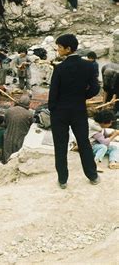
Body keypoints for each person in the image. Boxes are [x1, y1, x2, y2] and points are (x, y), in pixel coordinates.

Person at [48, 34, 100, 189]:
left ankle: (63, 180)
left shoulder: (60, 68)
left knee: (60, 145)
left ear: (68, 49)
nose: (57, 50)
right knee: (84, 143)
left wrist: (52, 110)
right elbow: (95, 88)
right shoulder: (89, 66)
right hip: (78, 110)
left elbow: (53, 93)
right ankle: (93, 176)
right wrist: (82, 96)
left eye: (59, 47)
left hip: (60, 112)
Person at [3, 95, 33, 161]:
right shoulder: (29, 114)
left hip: (8, 136)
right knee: (17, 157)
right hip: (21, 138)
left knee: (7, 155)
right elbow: (31, 126)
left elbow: (5, 123)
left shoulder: (9, 110)